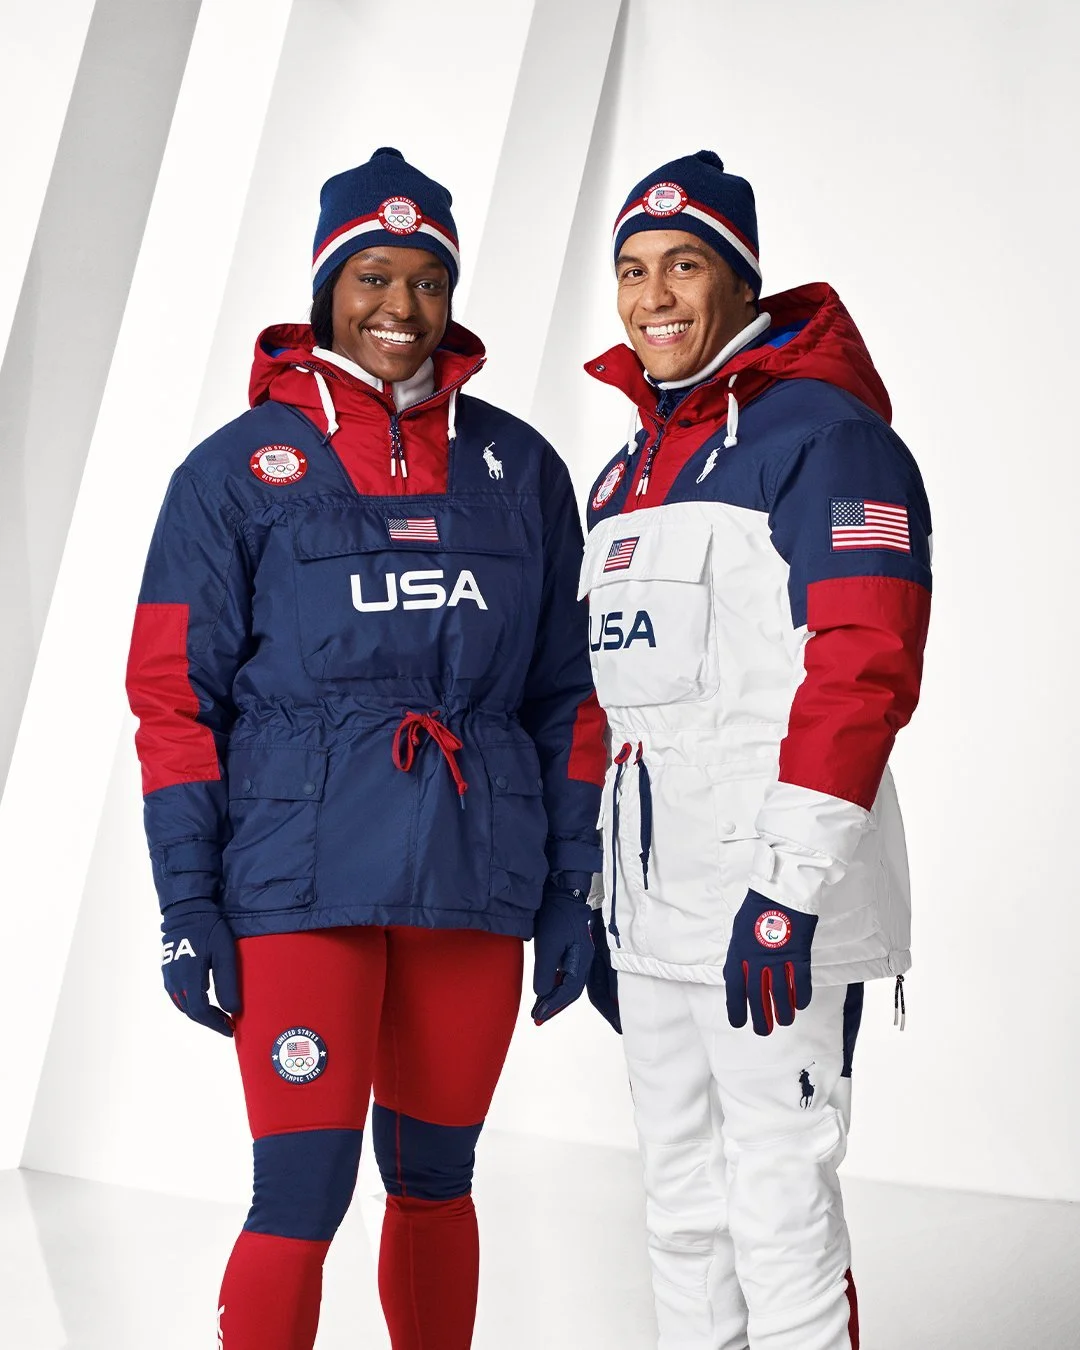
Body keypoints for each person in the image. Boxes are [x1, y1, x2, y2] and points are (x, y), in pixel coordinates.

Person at [125, 146, 606, 1350]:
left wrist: (572, 885)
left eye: (429, 281)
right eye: (374, 277)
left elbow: (568, 696)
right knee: (300, 1194)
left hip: (475, 878)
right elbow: (172, 701)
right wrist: (186, 901)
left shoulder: (521, 469)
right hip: (298, 885)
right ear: (326, 287)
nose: (402, 307)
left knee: (438, 1182)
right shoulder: (234, 473)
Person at [580, 150, 932, 1349]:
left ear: (742, 281)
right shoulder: (625, 474)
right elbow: (610, 701)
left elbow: (864, 666)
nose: (654, 296)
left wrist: (786, 894)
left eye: (684, 264)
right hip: (651, 911)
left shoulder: (829, 438)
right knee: (681, 1204)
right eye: (633, 269)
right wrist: (593, 889)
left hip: (772, 907)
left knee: (779, 1203)